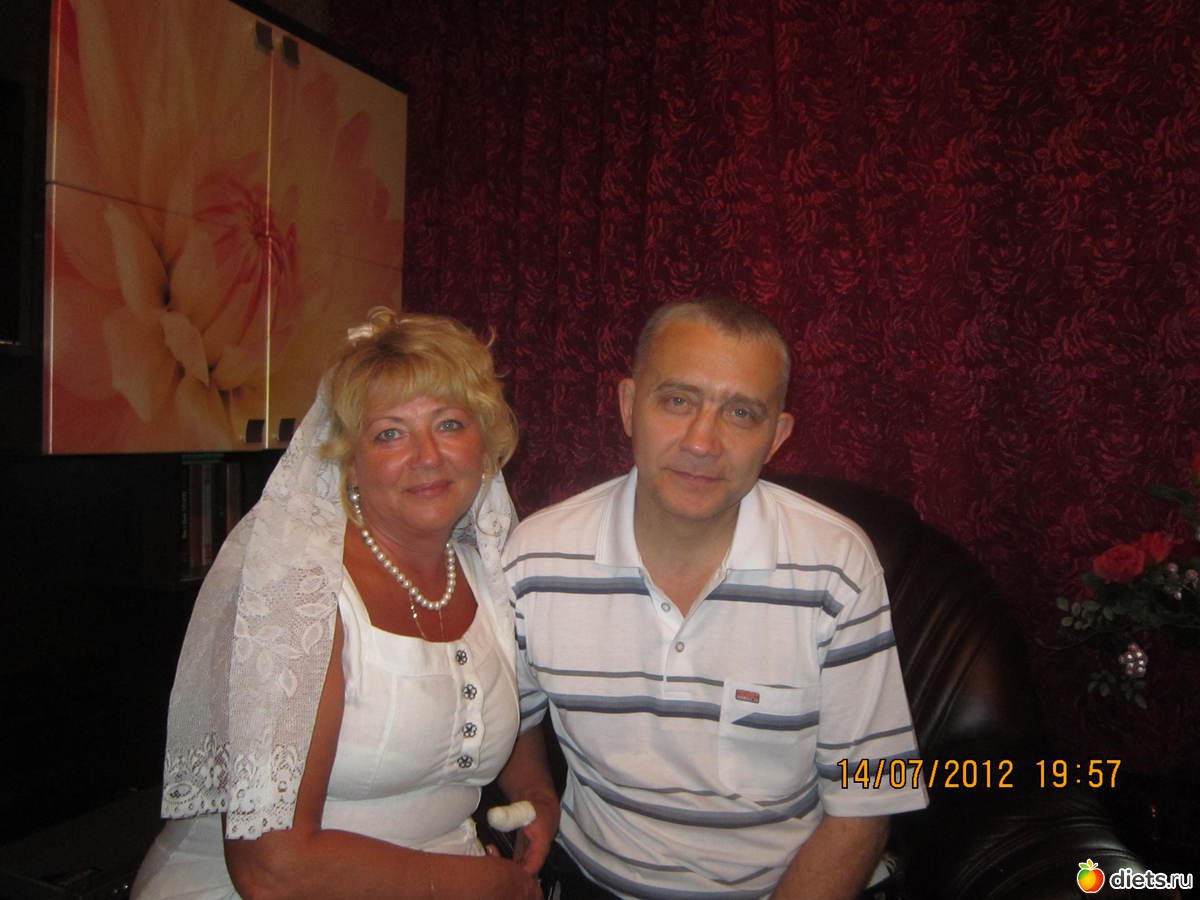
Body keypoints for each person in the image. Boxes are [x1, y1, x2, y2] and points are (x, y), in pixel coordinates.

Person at [504, 296, 929, 899]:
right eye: (678, 401)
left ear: (776, 437)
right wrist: (537, 796)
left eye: (741, 413)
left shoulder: (836, 565)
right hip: (592, 881)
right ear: (628, 406)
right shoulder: (535, 557)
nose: (702, 441)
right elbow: (510, 718)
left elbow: (868, 795)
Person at [134, 308, 557, 899]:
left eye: (449, 424)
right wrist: (480, 884)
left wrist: (536, 793)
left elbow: (500, 702)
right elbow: (270, 868)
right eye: (389, 433)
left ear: (485, 445)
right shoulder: (300, 595)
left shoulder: (487, 571)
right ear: (349, 462)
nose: (427, 455)